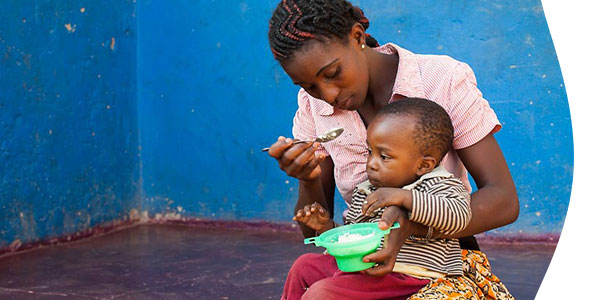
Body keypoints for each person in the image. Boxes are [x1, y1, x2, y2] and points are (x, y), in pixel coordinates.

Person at [266, 0, 518, 299]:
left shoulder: (442, 79)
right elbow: (318, 238)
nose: (328, 95)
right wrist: (307, 179)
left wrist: (409, 225)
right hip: (361, 263)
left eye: (333, 72)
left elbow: (504, 201)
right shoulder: (312, 107)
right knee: (306, 270)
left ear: (357, 37)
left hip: (432, 265)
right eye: (310, 86)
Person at [283, 98, 473, 300]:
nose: (371, 164)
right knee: (304, 266)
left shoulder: (438, 183)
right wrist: (327, 227)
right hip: (364, 268)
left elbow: (459, 216)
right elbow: (356, 235)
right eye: (370, 152)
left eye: (384, 157)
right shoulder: (367, 190)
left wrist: (402, 197)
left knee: (321, 293)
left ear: (424, 165)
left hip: (409, 276)